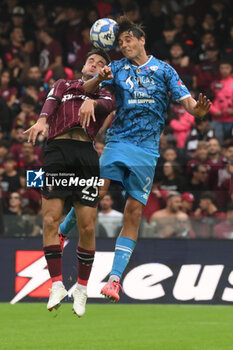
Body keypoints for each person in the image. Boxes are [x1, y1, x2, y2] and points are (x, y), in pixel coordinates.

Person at [60, 16, 211, 302]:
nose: (125, 44)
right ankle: (60, 233)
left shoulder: (164, 70)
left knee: (133, 213)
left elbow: (190, 104)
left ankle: (114, 280)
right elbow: (88, 90)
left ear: (142, 40)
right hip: (118, 142)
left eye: (129, 39)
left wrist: (199, 112)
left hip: (147, 151)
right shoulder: (115, 68)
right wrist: (98, 79)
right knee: (96, 192)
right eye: (120, 42)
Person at [24, 48, 115, 316]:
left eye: (100, 63)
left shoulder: (106, 93)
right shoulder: (64, 84)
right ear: (84, 65)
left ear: (104, 70)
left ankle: (82, 289)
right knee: (51, 220)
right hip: (57, 152)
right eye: (91, 61)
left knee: (86, 226)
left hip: (86, 154)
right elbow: (51, 102)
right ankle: (56, 284)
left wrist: (95, 92)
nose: (94, 64)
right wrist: (41, 120)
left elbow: (106, 106)